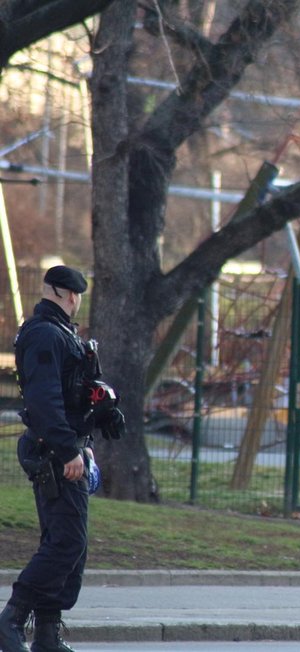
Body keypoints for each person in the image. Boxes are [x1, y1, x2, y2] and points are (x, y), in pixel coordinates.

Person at [0, 266, 125, 652]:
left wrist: (90, 431)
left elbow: (72, 394)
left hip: (68, 448)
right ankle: (11, 621)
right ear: (71, 296)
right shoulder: (44, 334)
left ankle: (48, 634)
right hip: (54, 452)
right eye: (78, 296)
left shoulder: (62, 334)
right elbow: (44, 401)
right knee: (66, 543)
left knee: (69, 543)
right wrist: (68, 449)